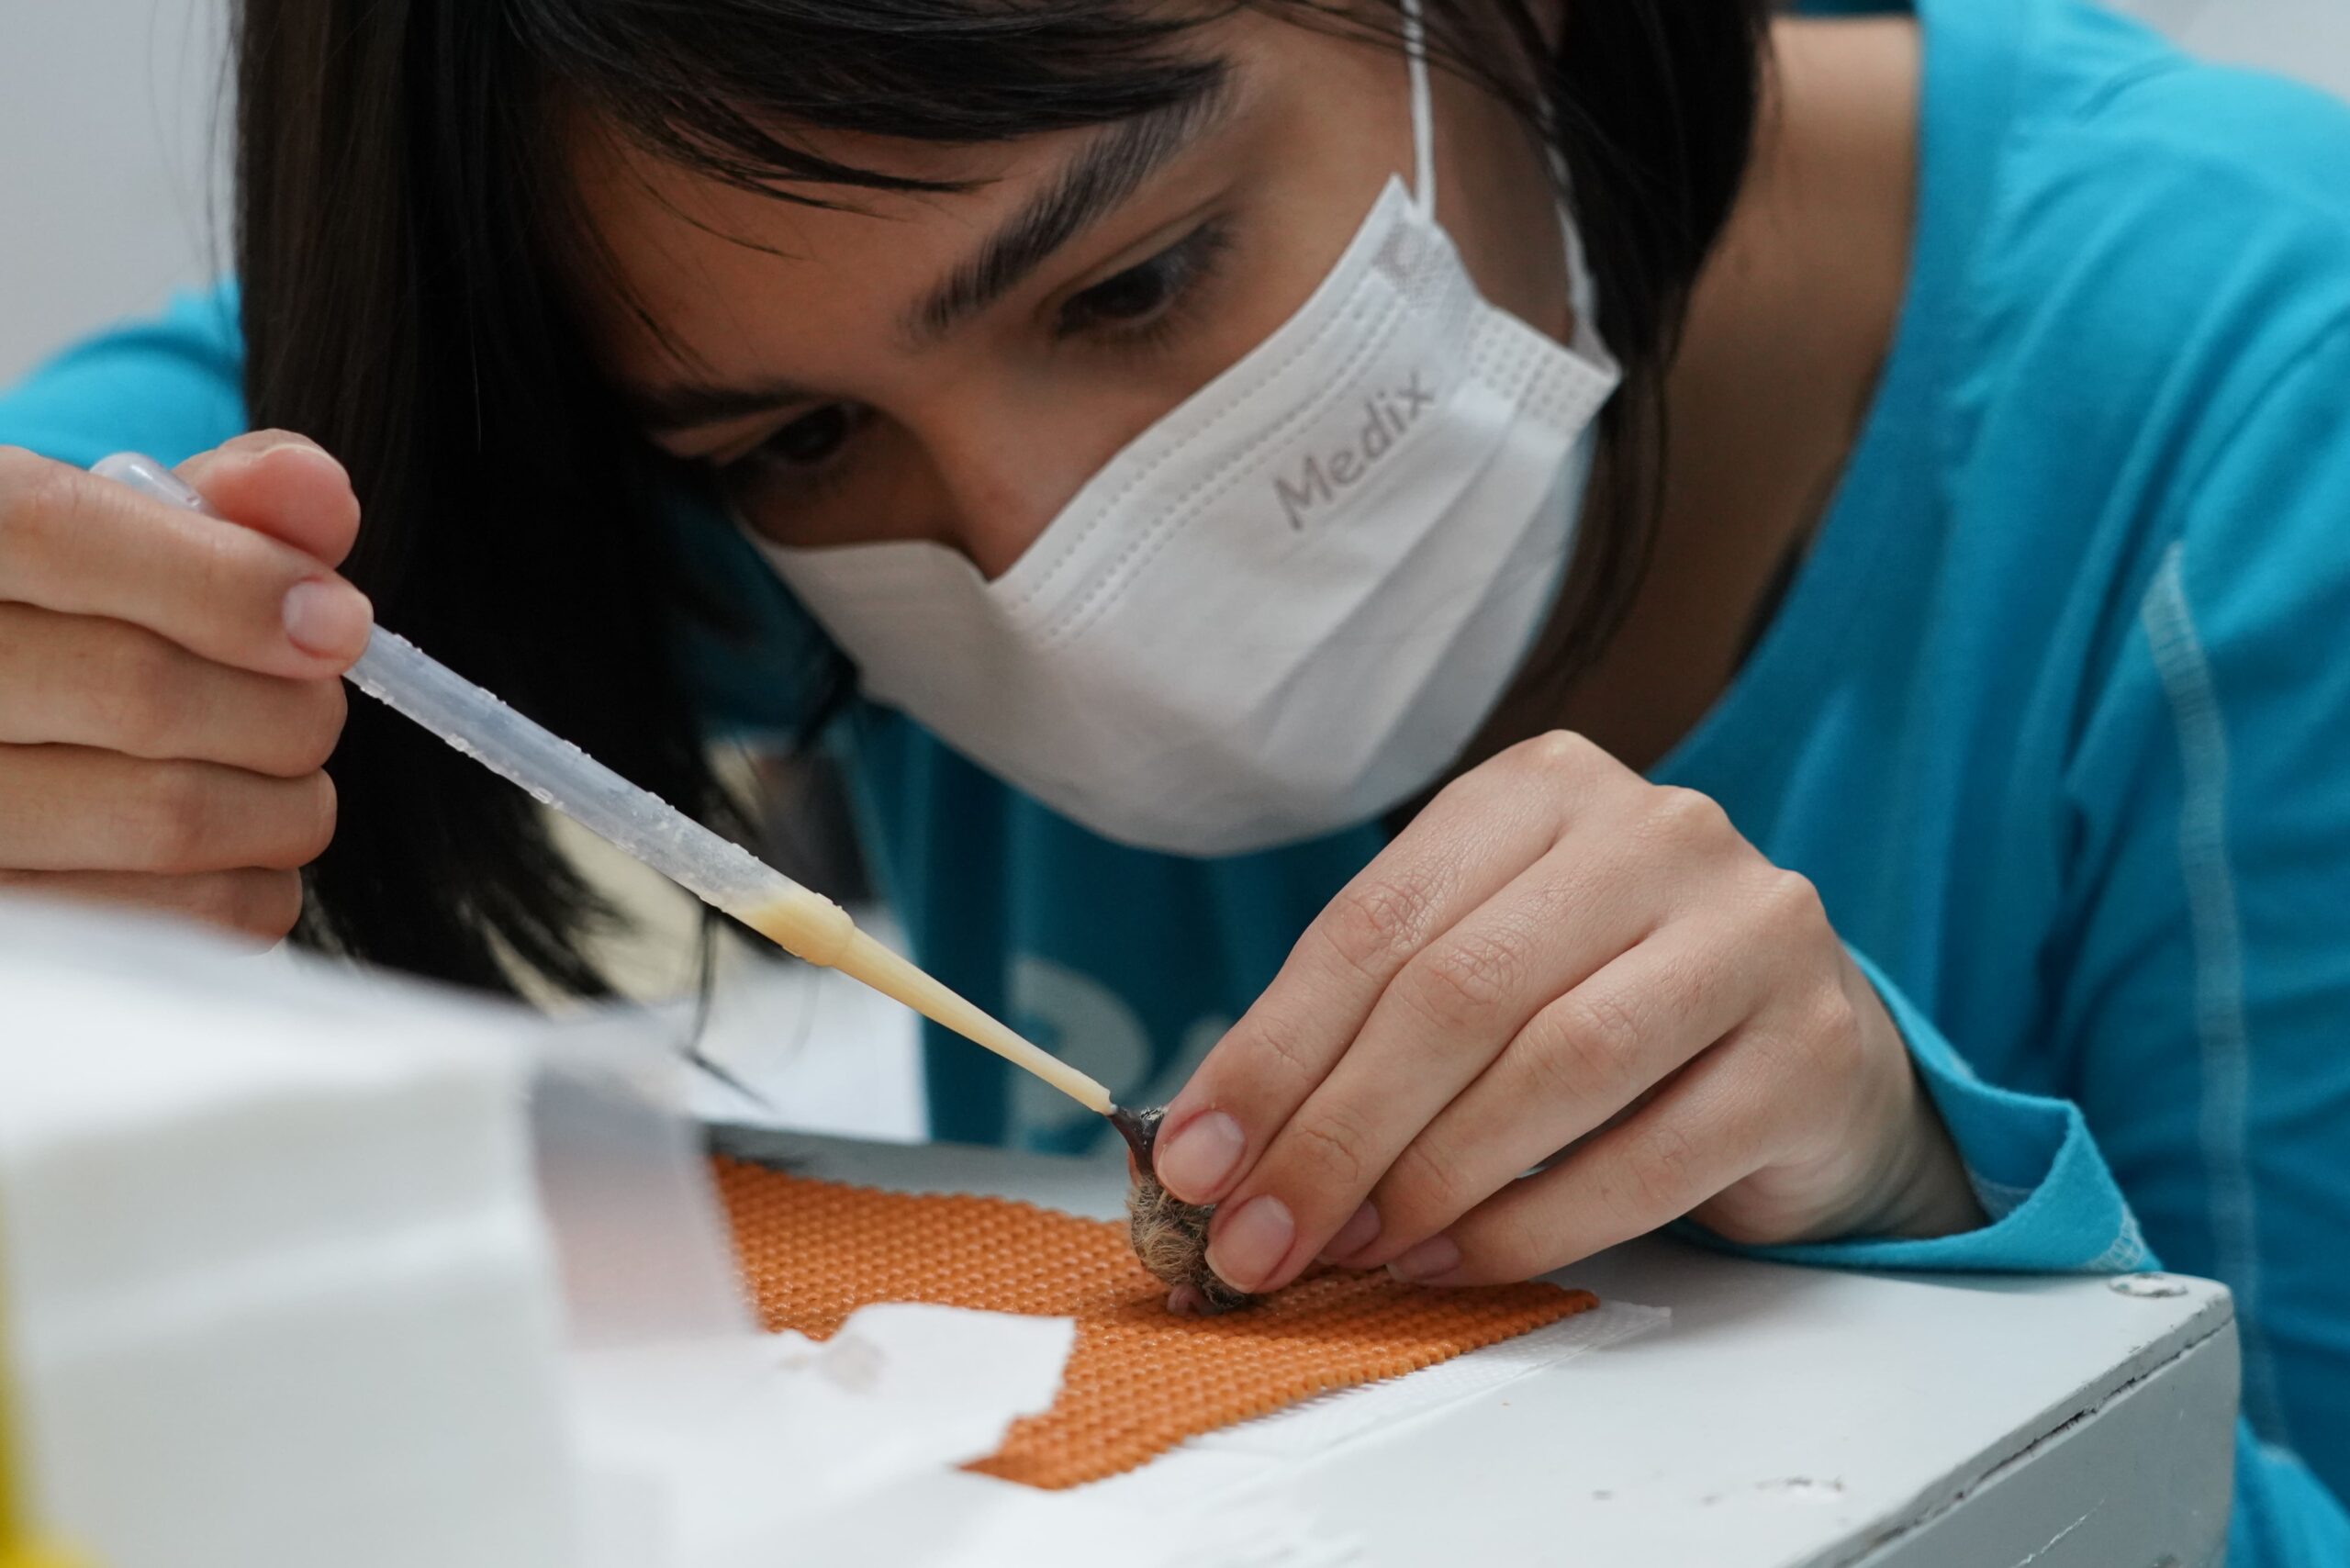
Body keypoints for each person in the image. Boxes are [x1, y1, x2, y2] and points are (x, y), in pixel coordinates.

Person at [1, 0, 2344, 1552]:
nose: (1030, 559)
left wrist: (1918, 1206)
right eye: (799, 440)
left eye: (1131, 283)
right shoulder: (713, 378)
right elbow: (202, 443)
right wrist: (87, 666)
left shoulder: (2255, 440)